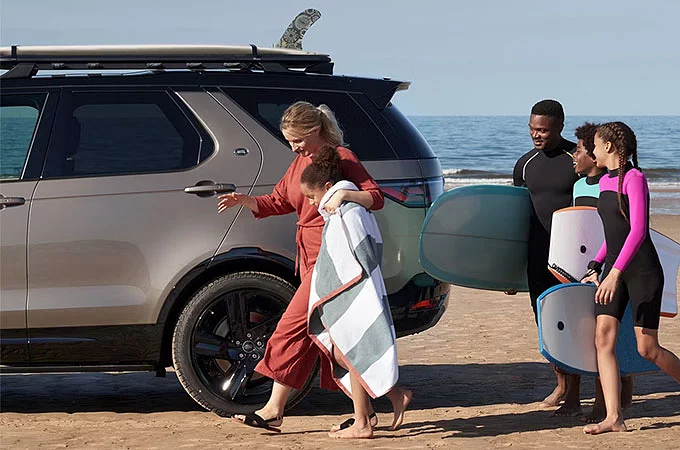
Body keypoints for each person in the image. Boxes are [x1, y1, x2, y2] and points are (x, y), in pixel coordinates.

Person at [217, 101, 410, 432]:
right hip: (307, 258)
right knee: (326, 337)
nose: (294, 147)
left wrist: (345, 196)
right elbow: (278, 201)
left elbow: (375, 197)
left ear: (315, 130)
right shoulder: (299, 164)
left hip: (333, 260)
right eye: (290, 141)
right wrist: (245, 200)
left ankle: (278, 409)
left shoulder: (343, 159)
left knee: (293, 329)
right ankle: (386, 399)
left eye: (298, 140)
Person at [300, 146, 407, 439]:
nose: (311, 204)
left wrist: (334, 287)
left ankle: (364, 420)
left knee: (350, 348)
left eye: (311, 197)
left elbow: (355, 257)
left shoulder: (347, 210)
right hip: (352, 292)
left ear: (326, 187)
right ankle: (388, 398)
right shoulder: (340, 208)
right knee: (346, 350)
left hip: (354, 293)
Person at [581, 121, 680, 434]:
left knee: (647, 348)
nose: (592, 151)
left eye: (595, 145)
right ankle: (614, 417)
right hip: (613, 269)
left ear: (609, 146)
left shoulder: (634, 178)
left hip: (641, 271)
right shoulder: (604, 183)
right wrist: (596, 265)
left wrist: (615, 274)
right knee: (603, 339)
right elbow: (613, 233)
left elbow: (637, 231)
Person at [557, 122, 635, 421]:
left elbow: (629, 230)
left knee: (618, 338)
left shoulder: (617, 181)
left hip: (616, 267)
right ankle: (585, 400)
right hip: (586, 268)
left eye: (578, 150)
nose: (574, 155)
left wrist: (610, 269)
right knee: (588, 332)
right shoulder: (579, 186)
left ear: (595, 152)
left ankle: (610, 397)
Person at [512, 100, 579, 407]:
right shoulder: (525, 163)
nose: (536, 135)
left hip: (571, 256)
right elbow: (516, 218)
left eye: (544, 130)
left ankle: (575, 390)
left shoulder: (575, 160)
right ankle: (562, 385)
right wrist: (509, 270)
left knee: (572, 321)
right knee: (546, 322)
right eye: (532, 129)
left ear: (560, 127)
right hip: (537, 255)